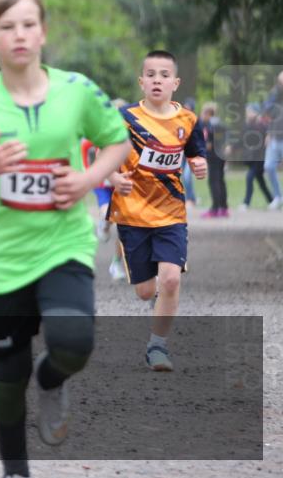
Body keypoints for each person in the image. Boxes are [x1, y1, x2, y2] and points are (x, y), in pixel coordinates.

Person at [0, 0, 130, 478]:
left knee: (73, 343)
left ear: (43, 31)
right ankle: (15, 472)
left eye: (28, 24)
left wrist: (87, 178)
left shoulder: (76, 90)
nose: (19, 35)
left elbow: (117, 142)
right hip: (2, 258)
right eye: (6, 26)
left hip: (63, 243)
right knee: (7, 373)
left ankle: (52, 379)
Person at [107, 50, 207, 373]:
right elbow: (104, 152)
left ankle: (157, 347)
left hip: (171, 213)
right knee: (145, 291)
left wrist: (199, 163)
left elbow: (195, 152)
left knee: (171, 279)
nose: (157, 80)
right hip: (132, 213)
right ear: (141, 81)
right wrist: (112, 176)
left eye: (164, 75)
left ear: (175, 83)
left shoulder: (188, 120)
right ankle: (150, 289)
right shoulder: (125, 118)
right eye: (151, 75)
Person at [81, 97, 128, 281]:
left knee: (124, 224)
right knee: (108, 213)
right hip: (103, 184)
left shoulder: (132, 134)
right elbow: (85, 147)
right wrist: (87, 170)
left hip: (122, 184)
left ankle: (117, 263)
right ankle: (104, 223)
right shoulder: (102, 132)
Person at [240, 104, 272, 211]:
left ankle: (246, 202)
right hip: (252, 158)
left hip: (260, 158)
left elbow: (269, 132)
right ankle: (271, 200)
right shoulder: (247, 125)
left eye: (250, 111)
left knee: (249, 177)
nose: (248, 113)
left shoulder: (262, 124)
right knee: (261, 182)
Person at [199, 102, 228, 218]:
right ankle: (224, 208)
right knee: (221, 180)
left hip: (214, 156)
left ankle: (215, 208)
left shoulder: (209, 124)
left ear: (208, 113)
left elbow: (209, 139)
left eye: (203, 112)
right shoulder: (220, 123)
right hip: (221, 155)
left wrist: (208, 143)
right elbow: (226, 134)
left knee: (213, 181)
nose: (201, 115)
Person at [262, 71, 283, 210]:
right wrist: (268, 133)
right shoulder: (274, 95)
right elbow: (266, 109)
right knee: (268, 166)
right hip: (275, 137)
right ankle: (278, 196)